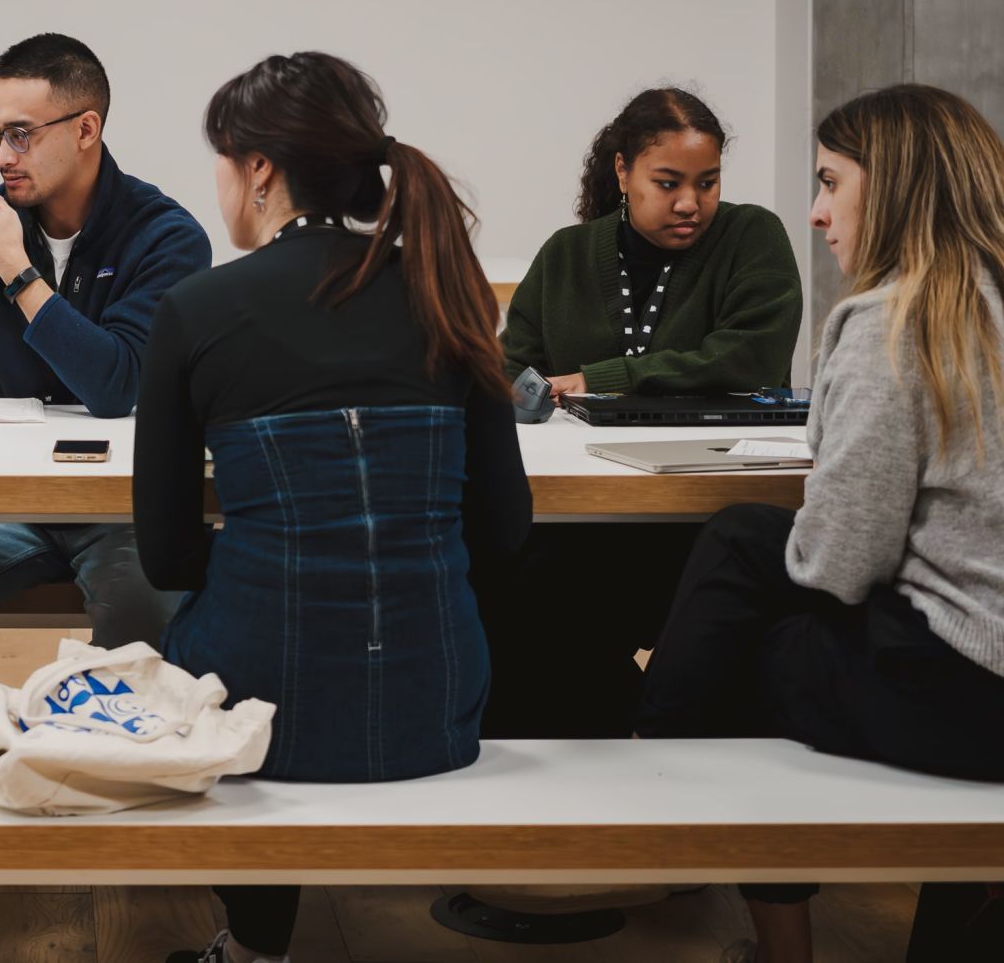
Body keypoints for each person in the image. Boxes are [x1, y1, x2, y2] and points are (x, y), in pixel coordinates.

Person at [134, 53, 532, 963]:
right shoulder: (447, 287)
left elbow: (164, 554)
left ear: (259, 168)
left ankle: (251, 947)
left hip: (260, 711)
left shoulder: (196, 309)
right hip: (435, 698)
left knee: (190, 626)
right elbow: (505, 531)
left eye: (223, 163)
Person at [636, 84, 1004, 963]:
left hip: (969, 690)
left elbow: (840, 561)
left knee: (750, 621)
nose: (814, 211)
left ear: (898, 189)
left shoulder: (895, 324)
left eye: (832, 182)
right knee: (747, 542)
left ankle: (644, 784)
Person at [0, 34, 212, 736]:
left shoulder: (165, 237)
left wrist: (19, 274)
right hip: (14, 498)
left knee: (143, 636)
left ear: (86, 128)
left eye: (21, 135)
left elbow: (117, 384)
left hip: (123, 505)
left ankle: (99, 764)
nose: (3, 156)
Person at [482, 87, 804, 738]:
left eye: (707, 182)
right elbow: (514, 363)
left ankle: (641, 740)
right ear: (623, 172)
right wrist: (523, 387)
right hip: (585, 512)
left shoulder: (752, 237)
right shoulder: (569, 253)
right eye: (669, 182)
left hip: (702, 512)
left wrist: (602, 380)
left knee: (554, 594)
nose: (691, 202)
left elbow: (747, 357)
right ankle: (584, 750)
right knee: (518, 588)